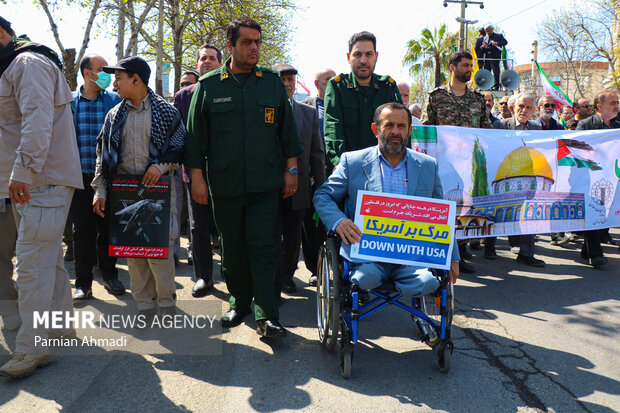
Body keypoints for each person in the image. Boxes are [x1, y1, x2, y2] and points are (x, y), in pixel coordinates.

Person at [185, 18, 303, 338]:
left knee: (264, 245)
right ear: (230, 45)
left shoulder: (272, 82)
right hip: (224, 185)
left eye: (258, 42)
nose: (254, 48)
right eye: (247, 42)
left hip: (265, 184)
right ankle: (239, 302)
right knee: (233, 247)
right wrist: (197, 179)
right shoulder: (209, 85)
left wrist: (291, 170)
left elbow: (288, 133)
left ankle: (268, 314)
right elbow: (195, 140)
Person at [0, 17, 83, 377]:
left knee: (31, 266)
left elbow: (37, 120)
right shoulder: (17, 64)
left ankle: (31, 349)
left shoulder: (26, 63)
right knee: (48, 262)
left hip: (38, 180)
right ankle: (59, 333)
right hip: (34, 181)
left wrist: (22, 171)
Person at [313, 102, 460, 298]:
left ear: (409, 130)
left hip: (412, 258)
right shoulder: (352, 162)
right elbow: (323, 196)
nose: (395, 131)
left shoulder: (427, 166)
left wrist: (453, 256)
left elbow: (442, 215)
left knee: (428, 283)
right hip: (367, 257)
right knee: (365, 279)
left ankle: (397, 294)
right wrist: (339, 221)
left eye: (401, 126)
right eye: (389, 125)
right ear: (376, 129)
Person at [92, 56, 185, 319]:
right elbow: (102, 154)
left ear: (136, 79)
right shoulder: (114, 115)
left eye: (119, 78)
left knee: (159, 252)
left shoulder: (166, 112)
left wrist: (161, 165)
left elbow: (180, 145)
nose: (114, 83)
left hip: (159, 190)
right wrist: (100, 189)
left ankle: (166, 305)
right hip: (125, 191)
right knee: (134, 253)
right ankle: (144, 306)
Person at [422, 50, 491, 274]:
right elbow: (426, 128)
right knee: (441, 207)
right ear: (452, 68)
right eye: (465, 65)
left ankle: (457, 256)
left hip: (467, 165)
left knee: (464, 208)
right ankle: (437, 254)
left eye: (471, 66)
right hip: (442, 164)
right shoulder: (436, 96)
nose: (469, 70)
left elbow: (487, 132)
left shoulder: (478, 100)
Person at [70, 54, 125, 301]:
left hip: (109, 178)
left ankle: (110, 276)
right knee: (82, 231)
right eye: (101, 69)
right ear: (86, 72)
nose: (106, 74)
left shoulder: (114, 100)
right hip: (78, 178)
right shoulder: (69, 102)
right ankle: (83, 283)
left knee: (109, 229)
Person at [273, 63, 326, 297]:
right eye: (282, 80)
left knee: (294, 235)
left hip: (301, 187)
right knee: (272, 234)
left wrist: (323, 189)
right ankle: (273, 277)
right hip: (269, 187)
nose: (287, 84)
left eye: (291, 80)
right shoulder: (264, 112)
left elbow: (317, 154)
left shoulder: (308, 113)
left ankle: (287, 275)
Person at [174, 44, 222, 297]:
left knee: (229, 226)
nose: (207, 61)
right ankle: (204, 277)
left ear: (220, 63)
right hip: (193, 175)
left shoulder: (230, 88)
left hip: (227, 174)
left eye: (212, 58)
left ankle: (232, 272)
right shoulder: (184, 96)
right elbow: (179, 135)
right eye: (203, 58)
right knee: (198, 227)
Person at [323, 31, 401, 168]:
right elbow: (332, 128)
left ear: (376, 56)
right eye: (357, 54)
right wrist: (339, 163)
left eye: (369, 54)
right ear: (348, 57)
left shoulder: (388, 87)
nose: (363, 60)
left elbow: (401, 127)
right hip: (347, 167)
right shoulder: (337, 87)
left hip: (383, 167)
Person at [494, 93, 546, 268]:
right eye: (520, 106)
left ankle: (526, 254)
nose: (524, 110)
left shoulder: (537, 128)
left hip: (527, 179)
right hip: (504, 177)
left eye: (528, 107)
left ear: (533, 110)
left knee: (529, 215)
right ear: (513, 108)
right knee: (496, 212)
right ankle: (489, 248)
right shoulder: (500, 126)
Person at [575, 90, 619, 268]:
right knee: (594, 213)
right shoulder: (585, 125)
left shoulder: (618, 123)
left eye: (617, 102)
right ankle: (595, 253)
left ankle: (587, 250)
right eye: (612, 103)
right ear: (599, 106)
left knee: (606, 215)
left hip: (614, 178)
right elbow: (576, 150)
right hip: (591, 179)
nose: (616, 106)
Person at [302, 68, 335, 285]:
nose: (332, 83)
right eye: (327, 80)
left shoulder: (341, 108)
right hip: (312, 176)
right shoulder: (305, 107)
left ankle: (338, 268)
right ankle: (315, 268)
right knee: (310, 225)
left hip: (336, 175)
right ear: (316, 83)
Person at [481, 25, 508, 90]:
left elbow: (505, 42)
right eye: (487, 31)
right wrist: (483, 47)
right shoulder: (485, 38)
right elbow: (482, 49)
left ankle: (496, 86)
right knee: (487, 72)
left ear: (492, 29)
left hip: (495, 56)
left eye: (489, 31)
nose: (488, 32)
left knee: (495, 71)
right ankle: (487, 86)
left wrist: (497, 43)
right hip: (487, 57)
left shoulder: (498, 35)